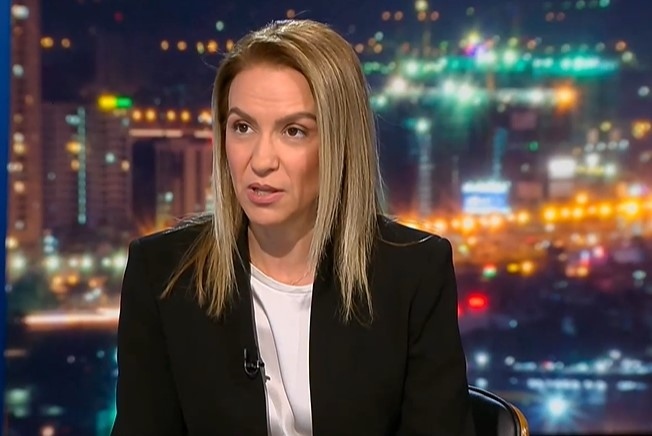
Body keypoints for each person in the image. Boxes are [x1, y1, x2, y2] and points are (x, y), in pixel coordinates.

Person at [112, 19, 475, 436]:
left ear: (339, 144)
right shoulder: (162, 275)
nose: (261, 160)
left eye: (293, 131)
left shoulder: (414, 274)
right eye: (242, 127)